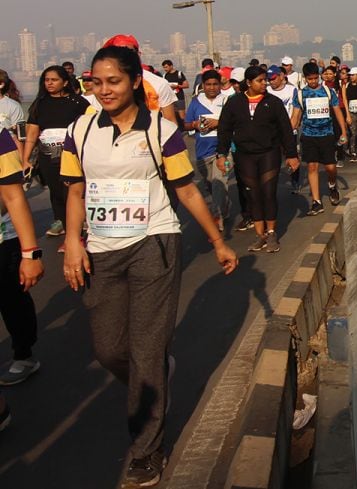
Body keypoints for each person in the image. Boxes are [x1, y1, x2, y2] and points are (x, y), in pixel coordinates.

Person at [60, 45, 238, 488]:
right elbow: (76, 192)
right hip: (101, 249)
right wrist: (71, 242)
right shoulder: (79, 131)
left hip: (154, 243)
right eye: (96, 83)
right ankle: (156, 372)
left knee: (144, 350)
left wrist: (218, 242)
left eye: (113, 81)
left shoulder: (161, 130)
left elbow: (187, 190)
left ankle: (147, 451)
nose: (104, 90)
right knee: (108, 349)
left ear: (135, 82)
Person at [215, 65, 299, 253]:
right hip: (244, 155)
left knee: (268, 192)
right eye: (259, 81)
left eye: (265, 80)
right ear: (248, 82)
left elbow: (286, 130)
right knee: (253, 195)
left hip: (269, 152)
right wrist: (221, 154)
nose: (264, 84)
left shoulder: (273, 102)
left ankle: (271, 233)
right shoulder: (234, 102)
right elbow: (225, 129)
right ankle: (260, 236)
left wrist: (292, 155)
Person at [22, 65, 91, 244]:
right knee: (57, 195)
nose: (49, 83)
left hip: (72, 157)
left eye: (54, 80)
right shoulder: (40, 104)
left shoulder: (79, 103)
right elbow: (31, 135)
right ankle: (70, 235)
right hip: (48, 158)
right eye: (46, 80)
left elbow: (92, 128)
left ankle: (77, 237)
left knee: (73, 194)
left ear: (65, 82)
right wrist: (25, 159)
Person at [0, 124, 42, 394]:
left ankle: (23, 354)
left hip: (4, 239)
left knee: (12, 298)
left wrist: (31, 254)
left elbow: (12, 197)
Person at [297, 63, 348, 216]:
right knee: (312, 167)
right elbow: (296, 116)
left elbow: (337, 111)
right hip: (308, 135)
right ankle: (316, 201)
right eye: (309, 79)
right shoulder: (301, 94)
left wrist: (343, 132)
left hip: (326, 134)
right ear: (305, 78)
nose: (313, 81)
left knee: (330, 167)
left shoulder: (328, 91)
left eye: (315, 78)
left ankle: (332, 185)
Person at [183, 70, 231, 231]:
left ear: (220, 85)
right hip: (203, 152)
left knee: (219, 182)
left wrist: (218, 123)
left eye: (215, 84)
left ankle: (216, 217)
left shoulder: (226, 101)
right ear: (203, 85)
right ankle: (224, 207)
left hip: (223, 150)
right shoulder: (196, 102)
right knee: (211, 185)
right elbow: (186, 124)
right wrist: (195, 125)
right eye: (208, 84)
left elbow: (234, 122)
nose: (212, 88)